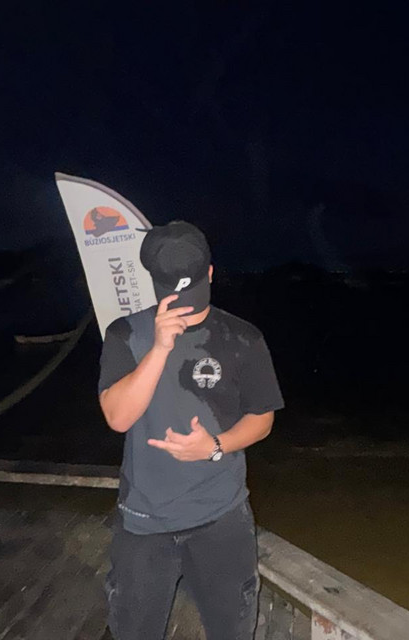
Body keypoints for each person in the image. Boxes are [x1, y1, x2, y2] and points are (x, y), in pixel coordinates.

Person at [98, 220, 284, 640]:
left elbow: (262, 419)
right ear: (153, 281)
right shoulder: (125, 334)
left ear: (211, 273)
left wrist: (215, 445)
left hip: (221, 517)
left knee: (232, 631)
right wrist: (159, 349)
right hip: (144, 521)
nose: (188, 308)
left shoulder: (244, 338)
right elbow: (118, 418)